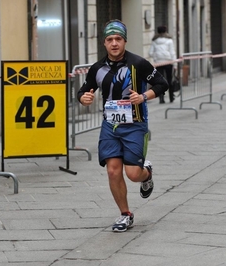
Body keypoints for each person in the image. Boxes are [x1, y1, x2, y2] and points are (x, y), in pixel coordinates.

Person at [77, 19, 169, 232]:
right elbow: (84, 90)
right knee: (112, 171)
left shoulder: (138, 63)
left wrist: (144, 96)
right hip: (110, 125)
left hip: (135, 124)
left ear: (125, 41)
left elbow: (162, 84)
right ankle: (125, 214)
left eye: (118, 39)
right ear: (104, 43)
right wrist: (84, 98)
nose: (114, 43)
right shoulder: (97, 68)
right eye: (110, 39)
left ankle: (147, 172)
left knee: (133, 174)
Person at [148, 25, 177, 103]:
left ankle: (161, 98)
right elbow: (172, 52)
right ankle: (171, 97)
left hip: (158, 63)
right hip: (168, 62)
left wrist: (156, 56)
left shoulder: (154, 41)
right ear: (165, 31)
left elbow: (150, 53)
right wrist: (175, 64)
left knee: (160, 81)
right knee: (169, 80)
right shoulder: (169, 40)